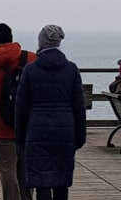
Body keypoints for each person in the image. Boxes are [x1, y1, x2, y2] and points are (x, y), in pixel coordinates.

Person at [15, 25, 86, 200]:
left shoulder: (30, 70)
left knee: (41, 183)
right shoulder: (71, 69)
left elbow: (21, 107)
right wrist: (79, 136)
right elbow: (79, 107)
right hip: (64, 131)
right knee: (61, 181)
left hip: (37, 131)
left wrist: (20, 137)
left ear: (41, 42)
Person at [0, 23, 37, 200]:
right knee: (25, 170)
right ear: (11, 38)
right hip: (28, 126)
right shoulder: (31, 59)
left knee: (8, 172)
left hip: (2, 127)